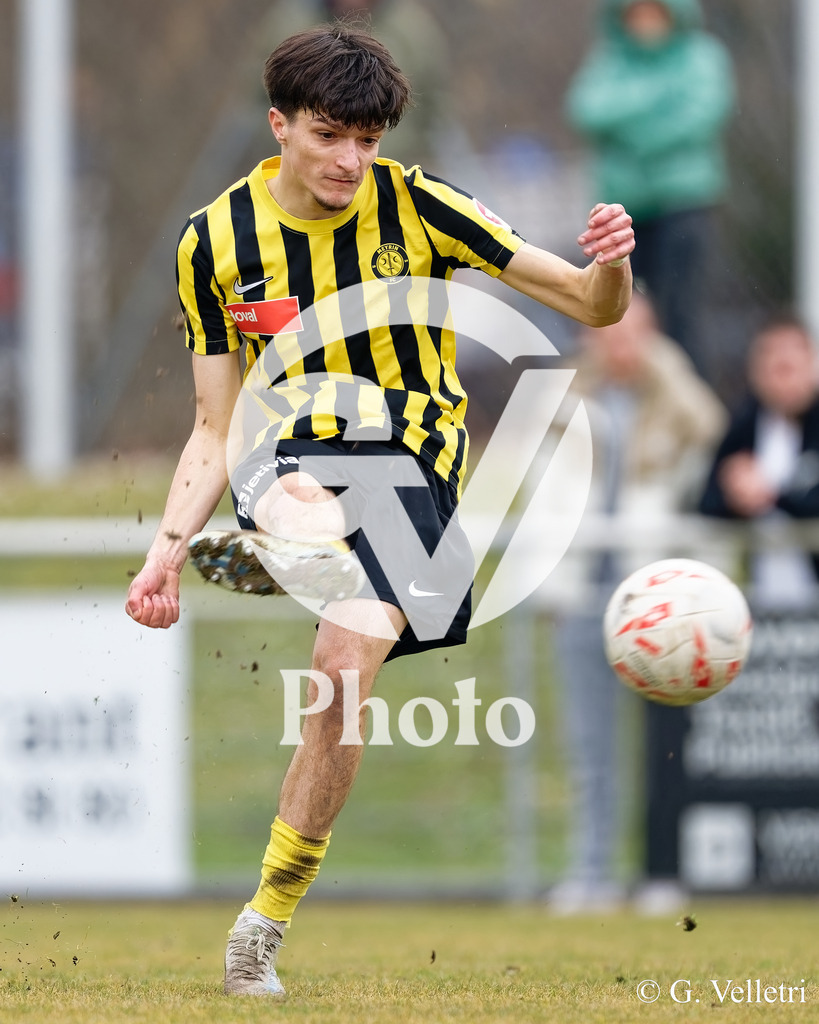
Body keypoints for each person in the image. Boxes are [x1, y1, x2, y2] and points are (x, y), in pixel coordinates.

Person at [125, 23, 634, 998]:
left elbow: (590, 304)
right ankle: (296, 536)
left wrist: (609, 261)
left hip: (419, 469)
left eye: (369, 139)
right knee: (302, 477)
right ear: (279, 126)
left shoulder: (423, 207)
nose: (353, 160)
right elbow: (210, 425)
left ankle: (260, 924)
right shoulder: (215, 243)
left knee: (340, 670)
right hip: (289, 451)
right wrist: (162, 552)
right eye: (330, 137)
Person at [530, 290, 725, 914]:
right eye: (610, 331)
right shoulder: (562, 405)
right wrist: (549, 585)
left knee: (663, 749)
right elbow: (541, 500)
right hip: (584, 597)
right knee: (590, 750)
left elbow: (706, 486)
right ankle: (592, 875)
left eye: (633, 332)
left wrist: (702, 596)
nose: (621, 345)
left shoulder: (681, 406)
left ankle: (661, 873)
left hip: (660, 610)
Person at [565, 0, 735, 379]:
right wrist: (659, 102)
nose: (645, 22)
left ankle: (691, 407)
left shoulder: (701, 56)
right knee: (619, 312)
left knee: (679, 313)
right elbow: (586, 109)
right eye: (636, 12)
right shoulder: (609, 59)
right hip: (625, 212)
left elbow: (700, 118)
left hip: (683, 205)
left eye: (653, 11)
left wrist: (631, 130)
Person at [699, 314, 819, 610]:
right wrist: (735, 496)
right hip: (758, 600)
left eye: (789, 368)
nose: (781, 379)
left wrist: (771, 495)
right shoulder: (744, 424)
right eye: (772, 368)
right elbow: (707, 502)